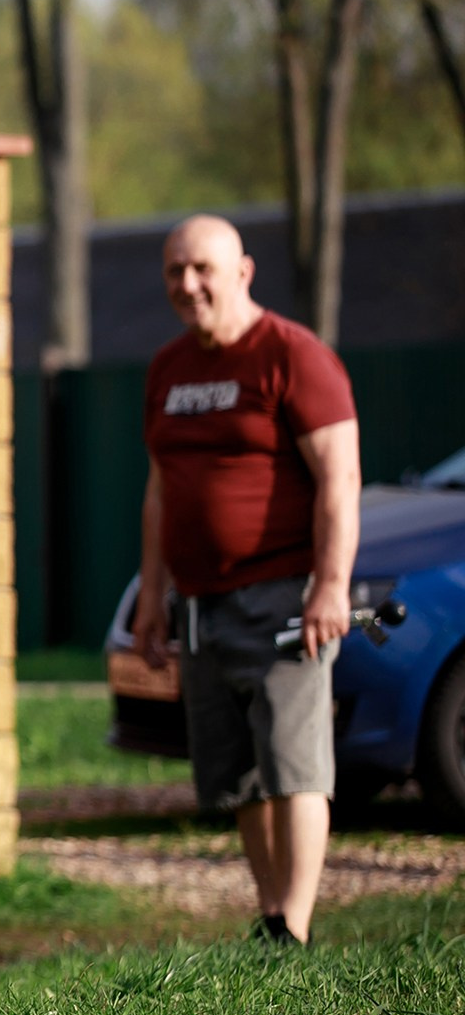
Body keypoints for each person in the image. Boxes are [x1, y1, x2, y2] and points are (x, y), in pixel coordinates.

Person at [133, 215, 358, 946]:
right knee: (237, 775)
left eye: (202, 268)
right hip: (199, 602)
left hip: (282, 595)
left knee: (294, 764)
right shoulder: (168, 369)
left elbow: (339, 478)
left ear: (243, 270)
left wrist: (330, 585)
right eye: (175, 271)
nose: (187, 284)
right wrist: (152, 595)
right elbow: (160, 489)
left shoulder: (292, 355)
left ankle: (295, 923)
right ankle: (270, 916)